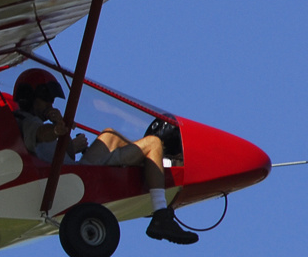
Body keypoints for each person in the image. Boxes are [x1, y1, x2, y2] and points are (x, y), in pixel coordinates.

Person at [11, 69, 197, 245]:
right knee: (153, 143)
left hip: (69, 172)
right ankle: (161, 214)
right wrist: (55, 129)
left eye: (51, 100)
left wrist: (63, 131)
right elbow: (40, 134)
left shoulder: (34, 122)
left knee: (110, 135)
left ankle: (151, 164)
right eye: (45, 98)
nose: (50, 104)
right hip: (69, 179)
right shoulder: (26, 121)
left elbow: (59, 152)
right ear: (28, 98)